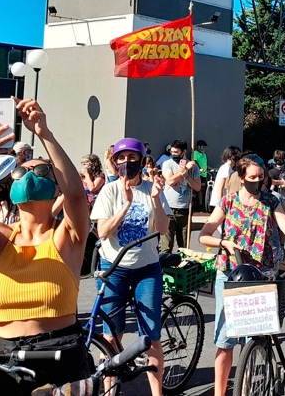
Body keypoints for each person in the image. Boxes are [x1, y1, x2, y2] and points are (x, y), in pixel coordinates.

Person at [0, 98, 93, 394]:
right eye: (22, 171)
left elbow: (76, 197)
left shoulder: (67, 236)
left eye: (41, 171)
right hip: (2, 356)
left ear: (55, 188)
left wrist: (44, 133)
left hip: (59, 355)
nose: (29, 175)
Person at [197, 155, 285, 396]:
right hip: (232, 275)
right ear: (241, 178)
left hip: (263, 276)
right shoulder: (228, 202)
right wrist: (225, 243)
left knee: (253, 338)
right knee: (225, 340)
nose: (257, 182)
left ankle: (244, 389)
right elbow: (204, 234)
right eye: (251, 178)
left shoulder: (271, 201)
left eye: (260, 177)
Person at [90, 137, 169, 396]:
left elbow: (163, 229)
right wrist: (125, 205)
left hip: (147, 269)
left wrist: (156, 199)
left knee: (151, 335)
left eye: (132, 158)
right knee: (112, 337)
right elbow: (102, 232)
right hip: (114, 268)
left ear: (142, 161)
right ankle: (110, 391)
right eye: (121, 158)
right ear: (114, 162)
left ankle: (157, 393)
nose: (127, 163)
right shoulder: (109, 191)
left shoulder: (151, 189)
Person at [160, 139, 201, 253]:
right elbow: (170, 181)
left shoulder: (194, 167)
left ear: (184, 152)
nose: (173, 154)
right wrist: (185, 169)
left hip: (185, 209)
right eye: (172, 152)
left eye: (176, 152)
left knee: (184, 247)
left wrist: (187, 176)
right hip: (169, 208)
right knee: (166, 246)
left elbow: (197, 187)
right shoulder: (167, 163)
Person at [208, 146, 241, 212]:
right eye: (237, 156)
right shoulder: (226, 168)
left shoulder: (230, 168)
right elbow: (220, 187)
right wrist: (221, 204)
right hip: (220, 202)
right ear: (231, 156)